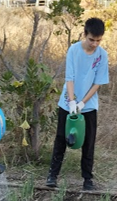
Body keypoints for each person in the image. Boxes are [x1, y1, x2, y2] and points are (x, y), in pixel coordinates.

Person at [47, 18, 109, 191]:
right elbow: (70, 77)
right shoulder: (74, 50)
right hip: (68, 103)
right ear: (84, 34)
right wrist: (73, 100)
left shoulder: (102, 55)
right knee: (61, 138)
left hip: (89, 105)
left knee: (88, 142)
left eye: (98, 40)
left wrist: (83, 102)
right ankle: (52, 175)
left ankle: (87, 179)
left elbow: (98, 83)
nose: (94, 44)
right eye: (91, 40)